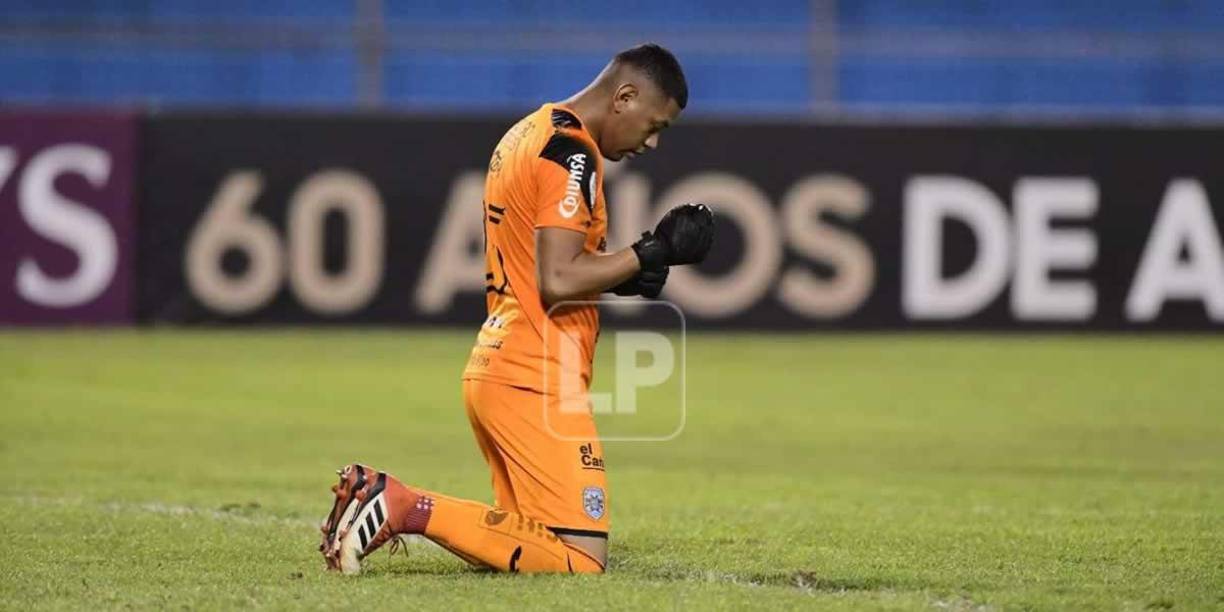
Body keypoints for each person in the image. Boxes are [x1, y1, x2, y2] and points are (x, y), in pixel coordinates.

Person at [320, 43, 713, 574]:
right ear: (625, 96)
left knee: (527, 546)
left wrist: (624, 274)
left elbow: (540, 265)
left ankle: (384, 500)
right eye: (654, 123)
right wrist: (650, 252)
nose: (654, 142)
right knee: (580, 560)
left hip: (500, 366)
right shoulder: (573, 151)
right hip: (536, 378)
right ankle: (401, 505)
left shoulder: (529, 131)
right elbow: (555, 279)